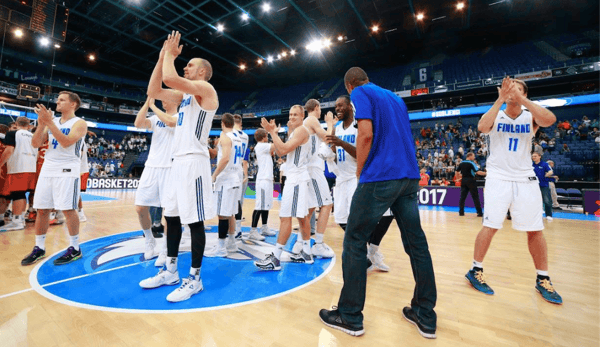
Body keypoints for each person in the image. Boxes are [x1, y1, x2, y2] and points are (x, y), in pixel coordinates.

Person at [319, 67, 437, 339]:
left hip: (381, 176)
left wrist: (361, 170)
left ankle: (349, 315)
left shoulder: (360, 93)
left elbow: (366, 134)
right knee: (416, 245)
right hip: (408, 176)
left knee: (354, 239)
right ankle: (424, 313)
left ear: (350, 86)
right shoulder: (395, 98)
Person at [465, 77, 562, 305]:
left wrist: (522, 100)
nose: (511, 91)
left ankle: (543, 278)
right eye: (508, 88)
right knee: (490, 225)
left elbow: (550, 120)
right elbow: (482, 127)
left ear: (524, 93)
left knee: (535, 229)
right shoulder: (496, 113)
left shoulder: (531, 116)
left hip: (524, 177)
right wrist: (500, 99)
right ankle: (475, 270)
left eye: (517, 88)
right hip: (498, 177)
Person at [139, 31, 217, 303]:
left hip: (194, 163)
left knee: (194, 222)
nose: (186, 66)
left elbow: (171, 78)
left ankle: (195, 279)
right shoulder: (183, 98)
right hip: (176, 163)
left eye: (191, 65)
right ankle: (171, 270)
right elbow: (154, 90)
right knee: (170, 217)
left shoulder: (206, 90)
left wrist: (171, 56)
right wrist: (162, 57)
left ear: (203, 72)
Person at [21, 91, 88, 266]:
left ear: (73, 104)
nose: (57, 102)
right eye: (57, 99)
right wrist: (43, 124)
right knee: (42, 209)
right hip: (48, 167)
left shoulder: (79, 123)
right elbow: (35, 143)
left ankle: (75, 248)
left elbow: (66, 142)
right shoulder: (53, 122)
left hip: (67, 168)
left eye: (62, 100)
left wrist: (49, 123)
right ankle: (39, 248)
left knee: (68, 209)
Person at [327, 95, 391, 272]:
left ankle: (370, 252)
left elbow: (363, 154)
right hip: (341, 179)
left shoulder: (359, 126)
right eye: (336, 106)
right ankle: (368, 251)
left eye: (341, 105)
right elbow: (334, 149)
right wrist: (331, 147)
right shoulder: (338, 127)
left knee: (382, 215)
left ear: (350, 106)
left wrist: (341, 142)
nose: (338, 108)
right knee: (341, 218)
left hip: (358, 178)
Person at [254, 105, 313, 270]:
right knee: (301, 217)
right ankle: (307, 253)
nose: (292, 117)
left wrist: (272, 132)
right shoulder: (295, 132)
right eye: (291, 114)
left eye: (296, 114)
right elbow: (280, 152)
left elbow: (284, 149)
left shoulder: (302, 130)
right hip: (296, 178)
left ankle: (276, 258)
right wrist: (278, 133)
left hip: (296, 179)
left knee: (285, 217)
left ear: (303, 116)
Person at [132, 97, 176, 264]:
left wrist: (153, 107)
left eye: (166, 98)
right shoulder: (156, 118)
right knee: (140, 207)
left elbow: (171, 122)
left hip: (170, 168)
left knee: (169, 212)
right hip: (151, 167)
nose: (163, 100)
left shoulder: (180, 116)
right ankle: (149, 239)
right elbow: (138, 123)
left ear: (175, 100)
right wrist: (147, 103)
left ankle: (165, 248)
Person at [289, 99, 335, 258]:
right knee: (327, 204)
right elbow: (328, 138)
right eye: (320, 108)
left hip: (308, 168)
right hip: (313, 169)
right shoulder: (312, 119)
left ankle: (299, 243)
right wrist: (329, 123)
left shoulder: (308, 123)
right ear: (316, 108)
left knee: (308, 210)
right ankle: (319, 244)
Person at [204, 113, 243, 257]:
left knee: (222, 215)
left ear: (222, 123)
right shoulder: (237, 137)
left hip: (226, 179)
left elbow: (225, 158)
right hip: (235, 177)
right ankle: (231, 243)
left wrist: (214, 175)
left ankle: (220, 248)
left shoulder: (226, 138)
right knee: (230, 212)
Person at [0, 117, 37, 231]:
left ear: (16, 124)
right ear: (29, 125)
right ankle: (19, 219)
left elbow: (9, 150)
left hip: (18, 167)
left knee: (17, 194)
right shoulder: (33, 136)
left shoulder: (13, 134)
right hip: (31, 167)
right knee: (21, 194)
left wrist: (0, 164)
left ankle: (17, 222)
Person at [249, 128, 276, 238]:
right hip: (263, 180)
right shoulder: (261, 146)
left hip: (267, 179)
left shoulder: (263, 147)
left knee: (266, 205)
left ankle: (264, 227)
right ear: (264, 137)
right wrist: (274, 132)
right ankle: (253, 231)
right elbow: (276, 145)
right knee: (260, 205)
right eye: (267, 135)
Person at [232, 114, 250, 236]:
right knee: (238, 201)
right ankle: (237, 228)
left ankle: (233, 229)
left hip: (231, 169)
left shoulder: (231, 134)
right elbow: (244, 158)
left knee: (231, 202)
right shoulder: (246, 136)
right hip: (239, 169)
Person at [457, 152, 485, 217]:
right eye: (473, 156)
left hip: (463, 180)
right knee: (475, 197)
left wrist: (459, 178)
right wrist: (486, 174)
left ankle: (461, 212)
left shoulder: (461, 163)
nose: (474, 157)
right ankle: (479, 213)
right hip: (471, 180)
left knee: (462, 197)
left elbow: (457, 171)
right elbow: (478, 172)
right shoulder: (471, 163)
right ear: (470, 156)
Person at [532, 152, 554, 221]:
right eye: (533, 156)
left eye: (535, 156)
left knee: (547, 200)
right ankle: (536, 215)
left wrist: (547, 175)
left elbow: (551, 171)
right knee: (534, 201)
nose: (533, 157)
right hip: (533, 186)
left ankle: (548, 215)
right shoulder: (531, 165)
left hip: (543, 185)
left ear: (539, 156)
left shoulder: (545, 164)